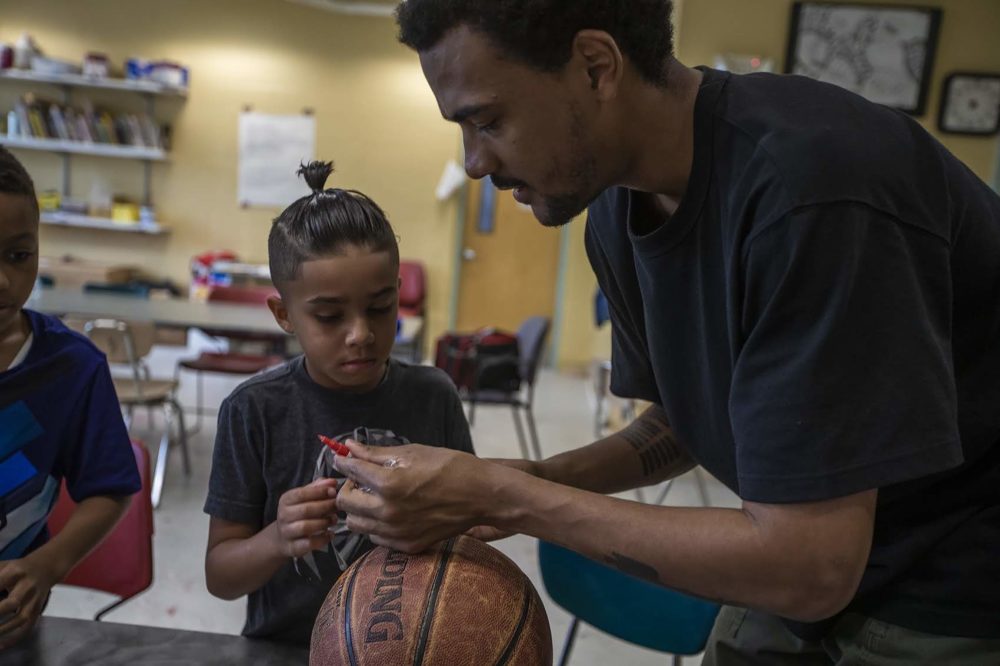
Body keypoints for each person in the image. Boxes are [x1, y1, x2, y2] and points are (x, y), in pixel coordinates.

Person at [330, 1, 1000, 662]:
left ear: (596, 66)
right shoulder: (617, 215)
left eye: (487, 121)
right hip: (820, 549)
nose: (474, 161)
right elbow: (688, 421)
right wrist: (537, 476)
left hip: (956, 572)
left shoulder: (815, 190)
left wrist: (515, 497)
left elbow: (812, 569)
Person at [203, 161, 475, 646]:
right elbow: (221, 577)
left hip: (412, 648)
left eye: (380, 307)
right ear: (284, 314)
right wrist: (277, 538)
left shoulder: (434, 397)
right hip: (287, 647)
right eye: (329, 316)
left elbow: (469, 539)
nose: (361, 335)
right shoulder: (253, 410)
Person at [0, 146, 140, 650]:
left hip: (12, 624)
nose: (3, 280)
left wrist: (45, 566)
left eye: (18, 256)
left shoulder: (73, 368)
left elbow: (111, 488)